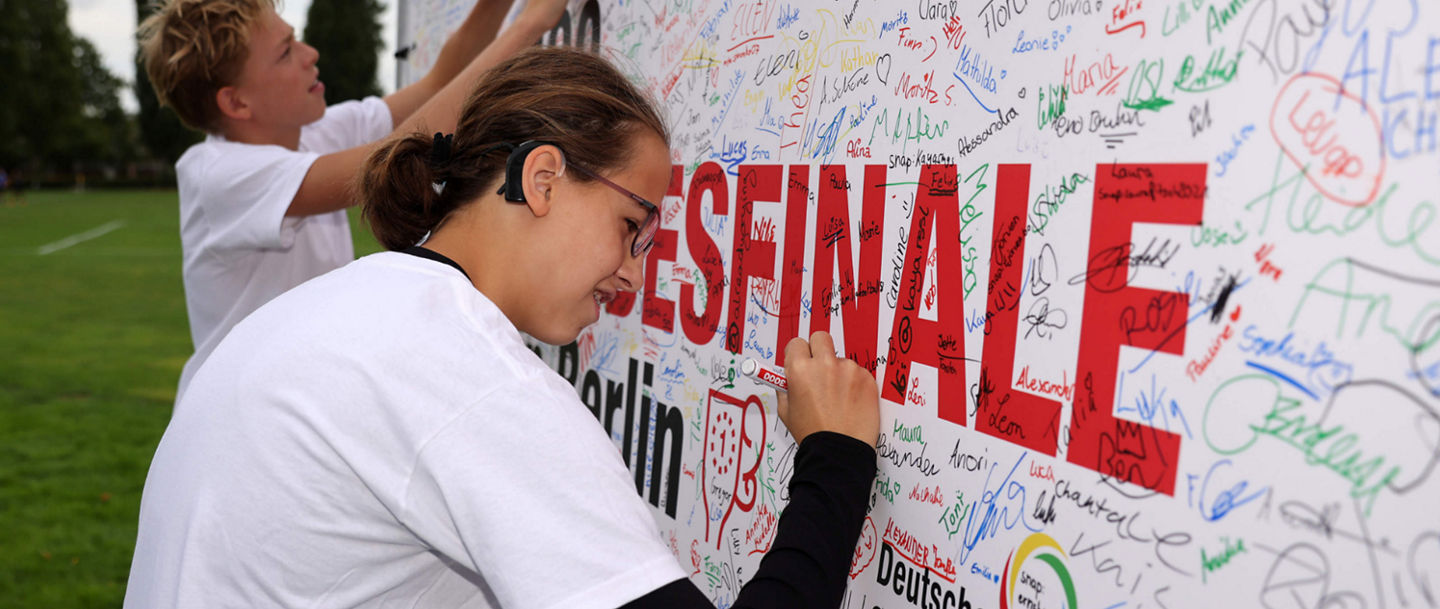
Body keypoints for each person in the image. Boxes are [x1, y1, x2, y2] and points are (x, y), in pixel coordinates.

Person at [125, 47, 881, 608]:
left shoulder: (350, 304)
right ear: (542, 177)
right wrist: (837, 454)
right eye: (631, 225)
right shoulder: (463, 373)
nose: (634, 271)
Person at [136, 0, 567, 400]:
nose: (310, 54)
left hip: (297, 398)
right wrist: (532, 22)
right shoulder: (220, 173)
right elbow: (409, 145)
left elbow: (441, 82)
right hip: (240, 411)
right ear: (236, 101)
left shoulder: (313, 135)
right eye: (285, 52)